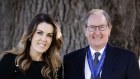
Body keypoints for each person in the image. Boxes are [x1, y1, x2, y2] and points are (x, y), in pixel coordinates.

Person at [63, 9, 140, 79]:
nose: (97, 32)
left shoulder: (127, 59)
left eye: (101, 27)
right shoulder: (70, 60)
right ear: (85, 30)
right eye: (92, 27)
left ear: (109, 29)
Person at [0, 13, 63, 79]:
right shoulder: (10, 60)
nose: (44, 39)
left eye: (49, 35)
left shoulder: (55, 66)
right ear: (30, 35)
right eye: (39, 33)